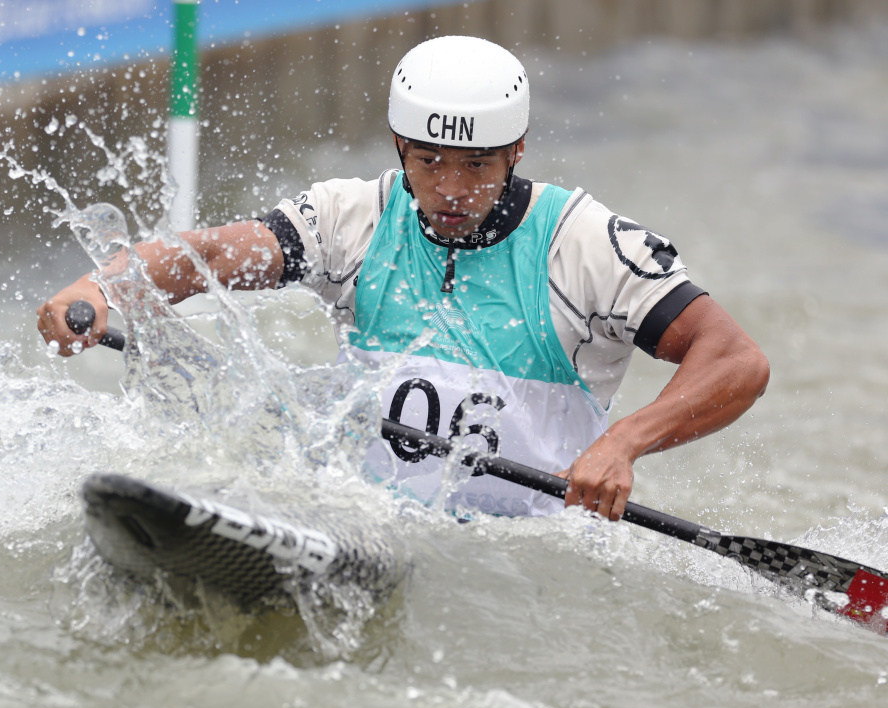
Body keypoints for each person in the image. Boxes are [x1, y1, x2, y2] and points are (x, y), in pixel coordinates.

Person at [38, 35, 769, 521]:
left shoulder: (582, 244)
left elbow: (736, 359)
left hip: (523, 550)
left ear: (515, 151)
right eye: (427, 161)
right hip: (367, 520)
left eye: (477, 165)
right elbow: (217, 254)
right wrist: (103, 288)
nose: (450, 187)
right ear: (398, 146)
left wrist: (625, 443)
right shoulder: (351, 217)